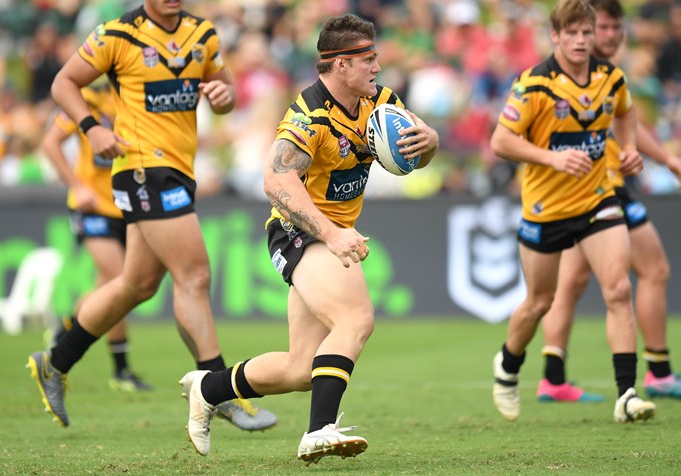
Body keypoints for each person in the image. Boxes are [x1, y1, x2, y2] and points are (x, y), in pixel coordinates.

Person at [179, 13, 439, 463]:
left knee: (301, 368)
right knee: (356, 320)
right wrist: (331, 233)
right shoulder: (309, 116)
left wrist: (430, 141)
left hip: (332, 233)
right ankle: (319, 431)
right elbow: (276, 181)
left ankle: (209, 388)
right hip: (298, 231)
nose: (377, 67)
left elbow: (417, 155)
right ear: (341, 64)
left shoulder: (381, 101)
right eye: (368, 59)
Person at [26, 0, 277, 432]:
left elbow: (224, 92)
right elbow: (63, 82)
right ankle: (218, 391)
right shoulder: (116, 35)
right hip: (143, 169)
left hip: (179, 171)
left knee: (136, 284)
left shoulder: (203, 34)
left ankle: (55, 362)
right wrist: (92, 128)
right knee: (194, 275)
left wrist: (224, 96)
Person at [536, 0, 681, 403]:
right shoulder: (590, 73)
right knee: (653, 268)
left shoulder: (594, 71)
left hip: (584, 186)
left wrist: (655, 155)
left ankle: (553, 378)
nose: (611, 35)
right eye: (603, 27)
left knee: (571, 281)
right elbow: (612, 128)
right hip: (601, 186)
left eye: (618, 28)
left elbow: (622, 124)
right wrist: (664, 157)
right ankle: (659, 372)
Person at [489, 0, 656, 423]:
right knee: (539, 301)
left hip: (598, 200)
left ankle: (627, 394)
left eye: (587, 33)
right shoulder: (534, 84)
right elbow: (501, 142)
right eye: (572, 33)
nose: (581, 41)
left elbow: (626, 112)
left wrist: (629, 148)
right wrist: (553, 158)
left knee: (618, 289)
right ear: (555, 36)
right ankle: (508, 364)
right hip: (545, 209)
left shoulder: (610, 77)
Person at [40, 82, 150, 392]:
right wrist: (77, 186)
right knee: (119, 279)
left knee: (105, 288)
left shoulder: (135, 96)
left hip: (127, 206)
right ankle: (121, 369)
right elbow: (50, 144)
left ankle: (65, 329)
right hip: (92, 209)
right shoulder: (86, 100)